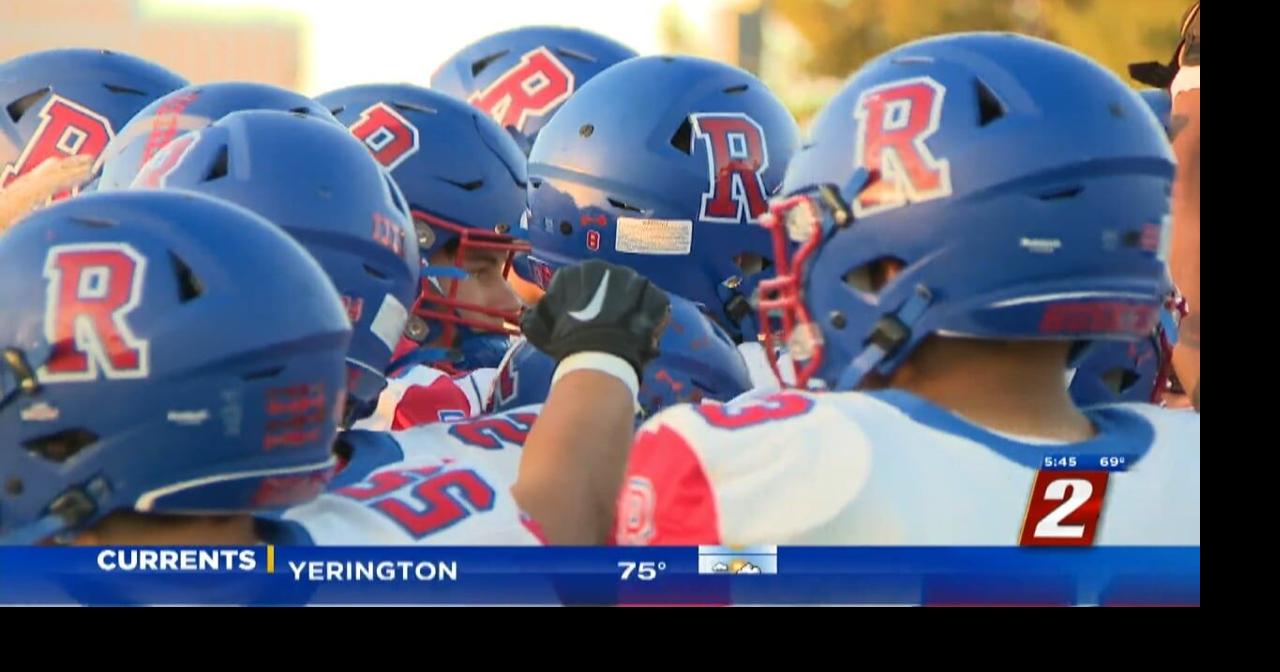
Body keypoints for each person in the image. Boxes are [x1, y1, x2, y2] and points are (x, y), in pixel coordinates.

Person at [611, 33, 1199, 547]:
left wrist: (593, 365)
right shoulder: (1181, 466)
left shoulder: (780, 467)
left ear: (894, 266)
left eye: (811, 232)